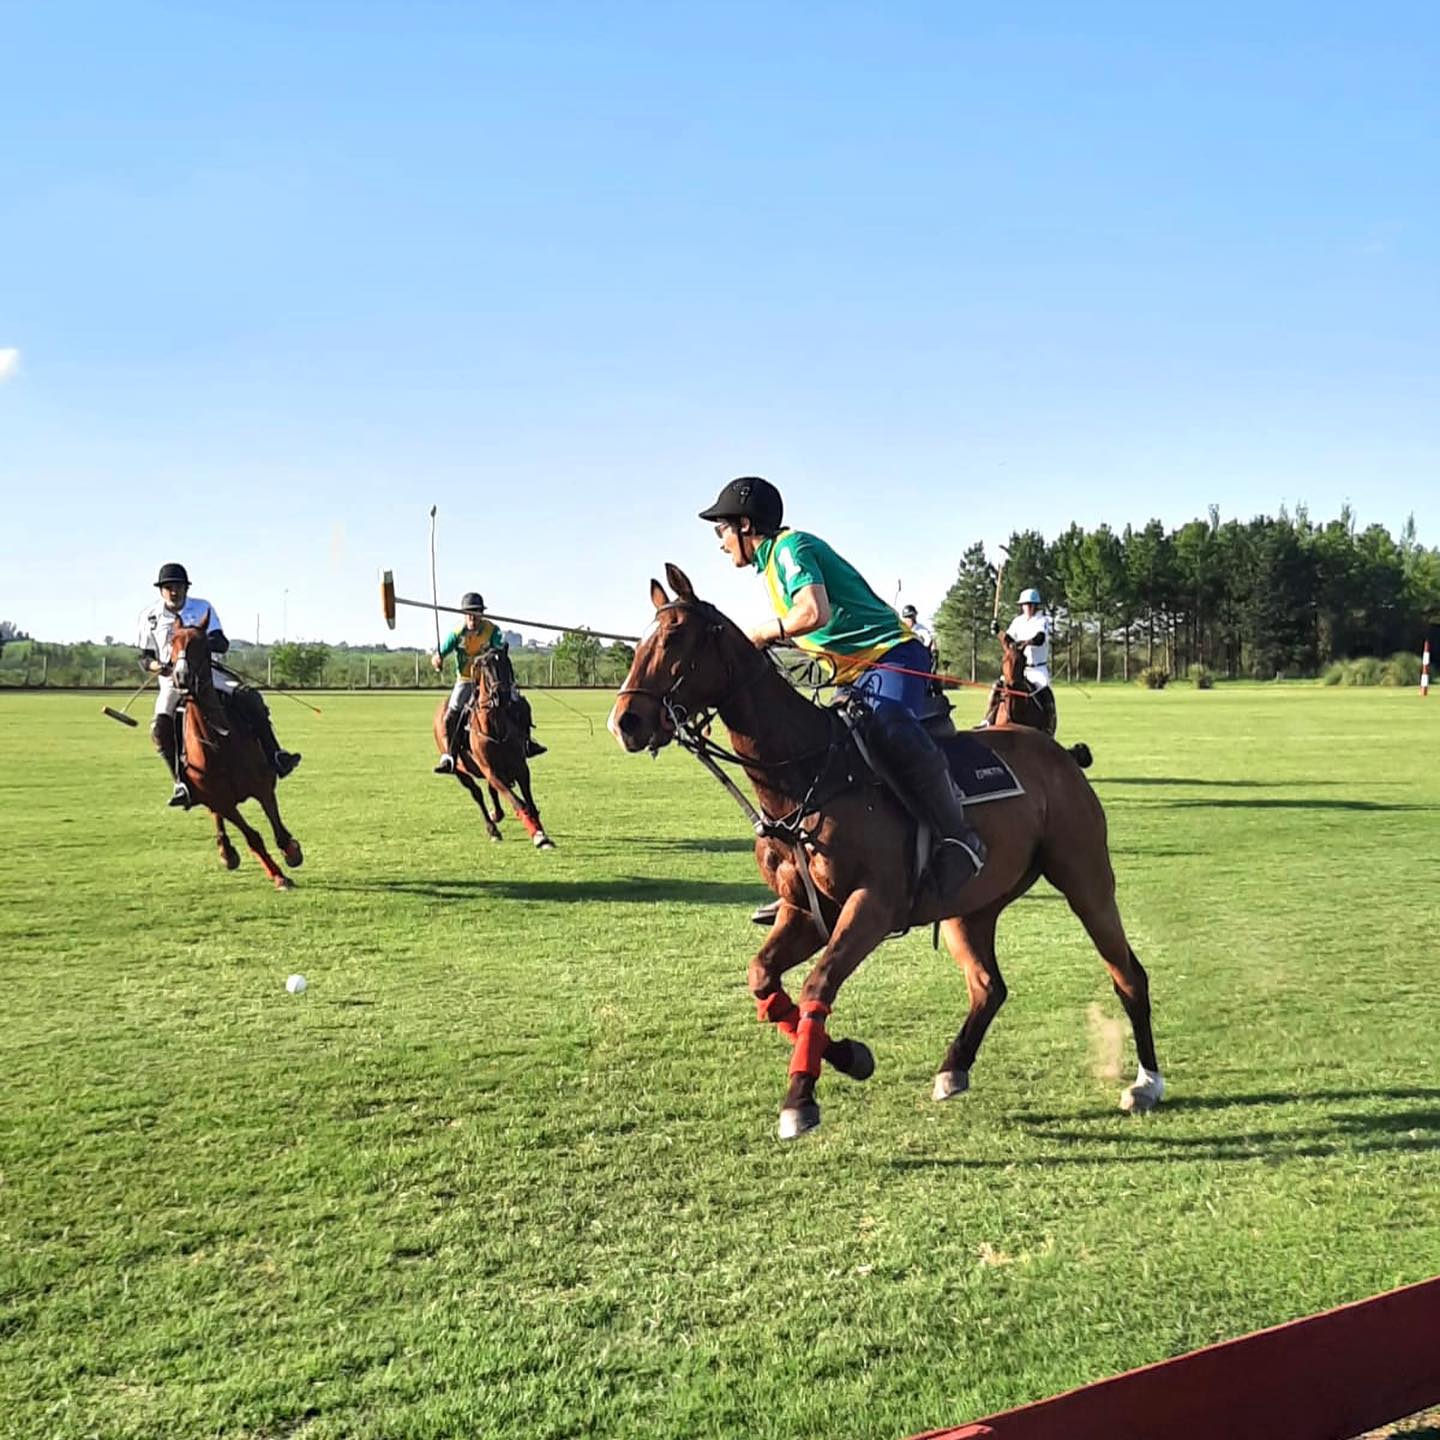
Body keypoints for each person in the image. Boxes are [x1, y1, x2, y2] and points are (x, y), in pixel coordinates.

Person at [698, 476, 985, 921]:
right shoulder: (772, 566)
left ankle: (960, 838)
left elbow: (815, 613)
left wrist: (762, 632)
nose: (719, 541)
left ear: (745, 524)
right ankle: (804, 878)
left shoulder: (791, 549)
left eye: (721, 529)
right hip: (853, 673)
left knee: (889, 725)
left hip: (892, 655)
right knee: (820, 746)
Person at [138, 562, 301, 808]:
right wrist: (156, 667)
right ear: (161, 590)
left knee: (250, 698)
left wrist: (197, 644)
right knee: (160, 728)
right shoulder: (149, 617)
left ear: (186, 588)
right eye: (169, 587)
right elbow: (144, 657)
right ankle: (181, 783)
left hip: (208, 674)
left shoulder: (202, 608)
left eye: (178, 587)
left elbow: (221, 642)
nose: (174, 591)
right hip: (173, 681)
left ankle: (276, 755)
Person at [431, 592, 545, 774]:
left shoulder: (492, 630)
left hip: (491, 680)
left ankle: (527, 743)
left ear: (482, 614)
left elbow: (500, 650)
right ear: (464, 615)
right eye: (469, 613)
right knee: (451, 714)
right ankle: (450, 757)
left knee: (520, 704)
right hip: (467, 680)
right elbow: (438, 655)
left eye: (476, 613)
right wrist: (437, 660)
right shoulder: (456, 634)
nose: (472, 617)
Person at [985, 587, 1057, 729]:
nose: (1028, 607)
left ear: (1036, 605)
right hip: (1017, 668)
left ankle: (1049, 725)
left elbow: (1040, 638)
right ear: (1021, 606)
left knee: (1044, 691)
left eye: (1031, 604)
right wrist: (998, 631)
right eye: (1025, 604)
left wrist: (1026, 642)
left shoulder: (1042, 620)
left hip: (1036, 668)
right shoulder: (1018, 621)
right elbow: (1009, 639)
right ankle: (988, 718)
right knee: (997, 687)